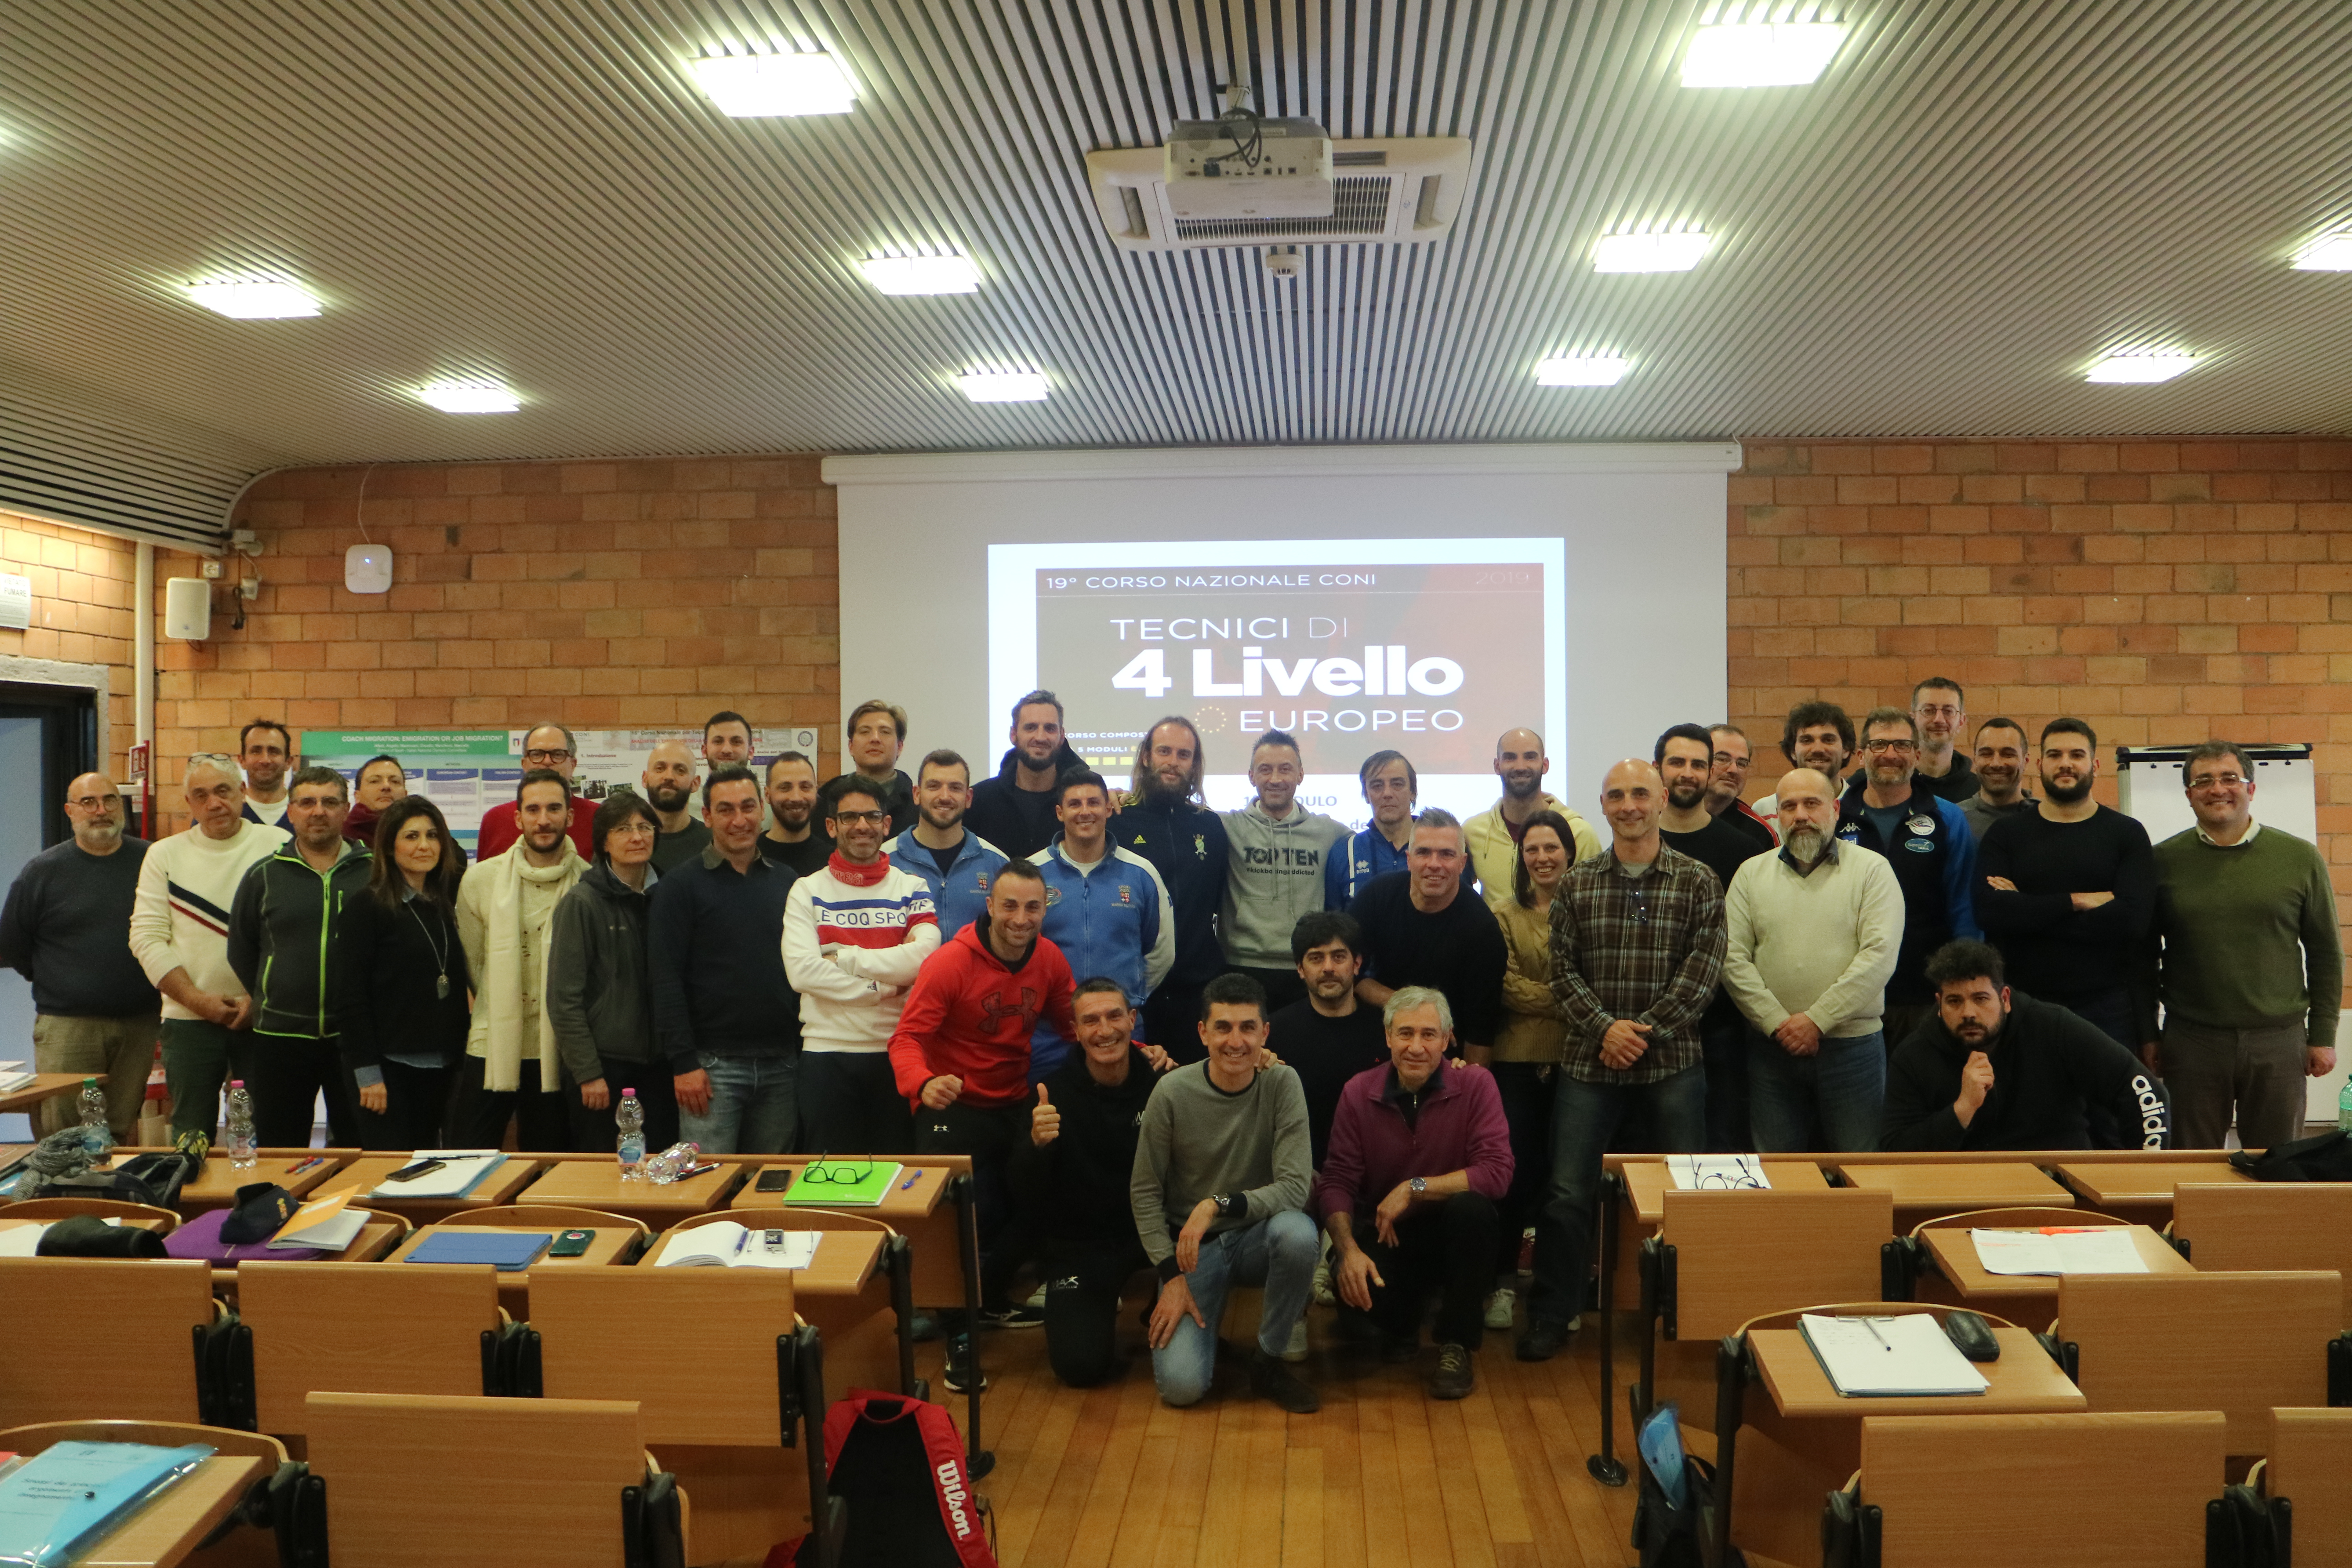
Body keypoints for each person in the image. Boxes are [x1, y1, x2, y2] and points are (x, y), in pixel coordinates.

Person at [1519, 761, 1725, 1362]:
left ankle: (1685, 1312)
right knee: (1565, 1193)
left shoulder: (1698, 881)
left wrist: (1645, 1032)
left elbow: (1703, 972)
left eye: (1641, 793)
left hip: (1675, 1061)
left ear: (1662, 799)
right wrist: (1607, 1029)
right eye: (1617, 796)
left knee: (1685, 1193)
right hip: (1589, 1062)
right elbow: (1563, 972)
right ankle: (1555, 1313)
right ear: (1603, 807)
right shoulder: (1579, 883)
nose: (1630, 805)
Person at [891, 861, 1078, 1379]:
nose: (1022, 918)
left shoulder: (1049, 959)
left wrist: (1136, 1052)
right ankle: (960, 1334)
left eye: (1033, 907)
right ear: (991, 906)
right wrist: (924, 1083)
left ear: (1046, 910)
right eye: (1011, 906)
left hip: (1011, 1101)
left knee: (1042, 1195)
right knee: (953, 1219)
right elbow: (907, 1039)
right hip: (953, 1106)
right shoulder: (951, 963)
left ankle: (990, 1296)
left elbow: (1074, 1027)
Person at [1131, 973, 1320, 1413]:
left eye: (1248, 1028)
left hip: (1259, 1236)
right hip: (1192, 1251)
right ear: (1202, 1032)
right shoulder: (1172, 1092)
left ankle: (1269, 1360)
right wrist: (1170, 1276)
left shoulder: (1283, 1083)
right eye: (1223, 1027)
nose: (1236, 1041)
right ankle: (1203, 1324)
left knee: (1298, 1232)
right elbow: (1144, 1192)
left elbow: (1295, 1187)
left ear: (1265, 1033)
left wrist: (1217, 1205)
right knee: (1181, 1389)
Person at [1316, 986, 1514, 1398]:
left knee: (1474, 1212)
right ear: (1388, 1037)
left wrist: (1415, 1188)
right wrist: (1348, 1249)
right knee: (1356, 1308)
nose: (1416, 1046)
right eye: (1405, 1034)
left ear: (1447, 1039)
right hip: (1389, 1234)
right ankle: (1403, 1323)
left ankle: (1456, 1344)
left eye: (1429, 1035)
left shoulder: (1477, 1084)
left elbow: (1497, 1173)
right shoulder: (1358, 1091)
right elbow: (1337, 1181)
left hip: (1453, 1233)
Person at [2149, 741, 2341, 1151]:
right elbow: (2141, 957)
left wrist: (2323, 1035)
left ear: (2250, 789)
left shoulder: (2300, 858)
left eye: (2229, 778)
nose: (2217, 789)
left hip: (2279, 1042)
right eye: (2203, 781)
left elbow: (2325, 952)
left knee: (2277, 1167)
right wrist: (2149, 1033)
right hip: (2192, 1042)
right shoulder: (2161, 862)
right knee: (2189, 1167)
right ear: (2189, 795)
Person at [1721, 769, 1904, 1154]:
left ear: (1835, 810)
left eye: (1812, 804)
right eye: (1789, 806)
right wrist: (1777, 1023)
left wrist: (1817, 1020)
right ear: (1778, 816)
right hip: (1772, 1050)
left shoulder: (1872, 871)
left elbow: (1879, 957)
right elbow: (1731, 959)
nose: (1801, 815)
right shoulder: (1751, 874)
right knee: (1779, 1175)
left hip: (1853, 1051)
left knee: (1861, 1171)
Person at [1010, 978, 1158, 1388]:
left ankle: (1164, 1296)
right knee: (1080, 1367)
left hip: (1155, 1235)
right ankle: (1095, 1302)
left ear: (1133, 1020)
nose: (1105, 1030)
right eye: (1090, 1020)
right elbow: (1022, 1191)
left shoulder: (1163, 1085)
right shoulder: (1050, 1095)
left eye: (1114, 1016)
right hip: (1081, 1248)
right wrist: (1037, 1145)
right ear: (1076, 1031)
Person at [1882, 940, 2168, 1151]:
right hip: (1964, 1193)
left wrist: (2143, 1176)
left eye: (1981, 999)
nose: (1969, 1012)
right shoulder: (1913, 1055)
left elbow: (2146, 1092)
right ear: (1940, 1005)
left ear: (2005, 999)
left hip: (2059, 1186)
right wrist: (1963, 1109)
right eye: (1955, 1001)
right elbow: (1895, 1150)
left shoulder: (2054, 1027)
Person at [131, 755, 286, 1140]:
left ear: (244, 793)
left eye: (223, 791)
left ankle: (262, 1202)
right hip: (189, 1023)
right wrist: (198, 1001)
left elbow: (293, 938)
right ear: (189, 803)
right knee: (191, 1135)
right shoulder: (163, 855)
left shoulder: (281, 845)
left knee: (264, 1133)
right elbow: (146, 938)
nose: (214, 803)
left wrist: (259, 999)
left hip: (264, 1019)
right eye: (201, 795)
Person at [782, 776, 940, 1154]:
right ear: (831, 826)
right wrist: (883, 988)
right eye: (850, 817)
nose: (862, 826)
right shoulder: (807, 890)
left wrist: (845, 957)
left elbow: (925, 958)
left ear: (887, 825)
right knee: (831, 1184)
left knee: (894, 1181)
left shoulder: (913, 887)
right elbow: (803, 972)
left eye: (872, 816)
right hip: (826, 1056)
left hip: (897, 1054)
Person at [650, 765, 802, 1155]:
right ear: (707, 817)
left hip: (783, 1066)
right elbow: (665, 979)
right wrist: (684, 1063)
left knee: (772, 1188)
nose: (740, 820)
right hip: (711, 1069)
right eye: (726, 810)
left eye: (749, 807)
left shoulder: (789, 883)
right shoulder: (679, 887)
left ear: (763, 809)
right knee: (707, 1188)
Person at [1975, 718, 2154, 1047]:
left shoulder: (2126, 834)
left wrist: (2027, 909)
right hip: (2025, 1004)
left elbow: (2133, 922)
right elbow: (1990, 912)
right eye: (2055, 755)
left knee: (2107, 1100)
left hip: (2108, 1009)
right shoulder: (2006, 835)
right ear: (2041, 764)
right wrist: (2075, 902)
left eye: (2077, 755)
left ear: (2095, 765)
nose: (2066, 764)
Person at [0, 772, 153, 1142]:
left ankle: (108, 1201)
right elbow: (11, 944)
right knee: (65, 1136)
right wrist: (61, 979)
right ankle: (63, 1202)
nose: (100, 811)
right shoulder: (43, 872)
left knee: (118, 1133)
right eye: (88, 803)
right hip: (68, 1028)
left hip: (140, 1025)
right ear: (70, 811)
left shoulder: (152, 861)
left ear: (121, 806)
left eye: (109, 800)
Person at [226, 766, 370, 1147]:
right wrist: (276, 989)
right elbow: (242, 948)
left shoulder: (374, 875)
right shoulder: (265, 876)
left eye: (329, 802)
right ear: (291, 812)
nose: (318, 811)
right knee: (279, 1149)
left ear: (346, 809)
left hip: (354, 1038)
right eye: (307, 802)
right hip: (279, 1038)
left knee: (357, 1148)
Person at [453, 768, 584, 1149]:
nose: (543, 819)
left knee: (548, 1166)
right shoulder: (480, 881)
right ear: (518, 817)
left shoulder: (588, 884)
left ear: (570, 816)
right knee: (467, 1155)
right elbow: (474, 963)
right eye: (533, 809)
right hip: (491, 1040)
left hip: (556, 1048)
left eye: (554, 808)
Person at [1835, 706, 1980, 1047]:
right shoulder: (1833, 817)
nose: (1890, 755)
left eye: (1901, 745)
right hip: (1848, 997)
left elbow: (1964, 909)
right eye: (1879, 745)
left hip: (1926, 995)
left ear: (1917, 754)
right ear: (1860, 755)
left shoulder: (1949, 819)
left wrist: (1963, 986)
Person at [1657, 724, 1771, 1151]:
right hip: (1648, 1029)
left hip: (1723, 1026)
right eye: (1677, 763)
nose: (1688, 773)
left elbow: (1753, 939)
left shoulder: (1745, 852)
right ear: (1658, 770)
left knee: (1724, 1144)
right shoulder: (1637, 841)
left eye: (1698, 765)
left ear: (1708, 773)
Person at [335, 795, 468, 1149]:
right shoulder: (367, 906)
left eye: (432, 836)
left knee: (430, 1176)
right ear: (390, 847)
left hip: (441, 1067)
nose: (424, 845)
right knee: (392, 1175)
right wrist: (368, 1074)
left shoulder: (442, 907)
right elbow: (350, 997)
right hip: (387, 1072)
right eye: (411, 837)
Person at [546, 793, 674, 1154]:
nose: (637, 837)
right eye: (623, 829)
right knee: (604, 1176)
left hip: (660, 1069)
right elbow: (563, 1000)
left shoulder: (668, 896)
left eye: (644, 827)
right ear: (604, 841)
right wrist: (588, 1073)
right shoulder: (582, 903)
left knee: (661, 1172)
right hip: (604, 1071)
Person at [1487, 810, 1574, 1330]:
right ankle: (1500, 1283)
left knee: (1564, 1180)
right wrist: (1570, 998)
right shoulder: (1502, 913)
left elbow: (1596, 980)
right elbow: (1505, 984)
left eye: (1552, 848)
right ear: (1522, 858)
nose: (1542, 858)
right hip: (1515, 1061)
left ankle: (1556, 1289)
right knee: (1513, 1177)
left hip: (1576, 1063)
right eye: (1533, 850)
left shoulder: (1587, 908)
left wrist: (1568, 997)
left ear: (1569, 853)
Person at [1030, 768, 1172, 1074]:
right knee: (1050, 1116)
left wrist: (1130, 995)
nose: (1085, 812)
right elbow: (1016, 949)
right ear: (1060, 812)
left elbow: (1162, 950)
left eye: (1094, 803)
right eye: (1075, 804)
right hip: (1049, 1032)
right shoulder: (1032, 873)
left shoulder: (1141, 873)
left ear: (1108, 809)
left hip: (1120, 1030)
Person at [1111, 716, 1230, 1061]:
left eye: (1183, 755)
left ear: (1194, 765)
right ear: (1146, 757)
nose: (1173, 762)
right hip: (1139, 991)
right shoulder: (1116, 818)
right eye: (1164, 751)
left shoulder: (1210, 825)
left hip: (1199, 990)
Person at [1345, 809, 1507, 1058]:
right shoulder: (1377, 896)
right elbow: (1349, 975)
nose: (1434, 864)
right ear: (1409, 859)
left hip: (1448, 1055)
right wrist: (1407, 1004)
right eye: (1424, 853)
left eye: (1446, 854)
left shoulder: (1482, 929)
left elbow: (1481, 1031)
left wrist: (1472, 1090)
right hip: (1377, 1042)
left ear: (1463, 863)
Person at [1219, 730, 1347, 1014]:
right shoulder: (1226, 827)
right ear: (1251, 776)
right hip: (1241, 965)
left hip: (1305, 967)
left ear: (1301, 774)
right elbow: (1178, 813)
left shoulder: (1330, 833)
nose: (1275, 779)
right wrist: (1122, 797)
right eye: (1265, 770)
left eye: (1285, 769)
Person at [1266, 911, 1390, 1165]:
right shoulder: (1273, 1032)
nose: (1328, 968)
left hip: (1376, 1169)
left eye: (1339, 957)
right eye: (1316, 958)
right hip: (1299, 1173)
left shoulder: (1387, 1031)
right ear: (1300, 969)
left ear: (1357, 964)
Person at [884, 749, 1008, 942]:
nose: (944, 796)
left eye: (955, 788)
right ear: (917, 795)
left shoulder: (997, 864)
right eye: (934, 786)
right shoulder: (885, 860)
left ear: (968, 798)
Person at [1465, 728, 1599, 906]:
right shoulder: (1472, 831)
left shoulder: (1579, 833)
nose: (1520, 767)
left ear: (1545, 765)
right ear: (1497, 766)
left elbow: (1593, 902)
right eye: (1510, 758)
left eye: (1530, 757)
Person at [967, 689, 1083, 860]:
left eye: (1050, 729)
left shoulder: (1081, 804)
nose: (1040, 737)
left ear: (1062, 736)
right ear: (1013, 735)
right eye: (1031, 728)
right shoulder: (980, 801)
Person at [476, 723, 597, 860]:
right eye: (537, 754)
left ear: (573, 765)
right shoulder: (495, 819)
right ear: (524, 764)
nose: (546, 761)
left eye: (558, 754)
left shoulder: (599, 817)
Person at [1326, 750, 1417, 909]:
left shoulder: (1439, 850)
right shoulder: (1345, 852)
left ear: (1413, 792)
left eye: (1397, 784)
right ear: (1366, 795)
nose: (1387, 793)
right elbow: (1333, 925)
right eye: (1377, 786)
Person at [828, 699, 916, 837]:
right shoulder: (826, 801)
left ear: (900, 747)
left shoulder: (918, 806)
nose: (875, 739)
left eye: (885, 732)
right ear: (851, 746)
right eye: (865, 732)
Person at [1753, 701, 1855, 818]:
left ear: (1846, 749)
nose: (1818, 749)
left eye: (1828, 740)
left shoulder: (1864, 807)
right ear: (1793, 751)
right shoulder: (1764, 812)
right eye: (1807, 741)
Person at [1959, 717, 2037, 842]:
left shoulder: (2045, 817)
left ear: (2026, 761)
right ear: (1975, 760)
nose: (1996, 764)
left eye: (2008, 754)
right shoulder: (1954, 821)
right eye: (1986, 754)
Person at [640, 740, 712, 874]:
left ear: (695, 783)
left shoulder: (714, 844)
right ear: (645, 779)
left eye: (680, 770)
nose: (669, 777)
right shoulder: (626, 842)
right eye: (660, 768)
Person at [759, 751, 833, 876]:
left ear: (816, 791)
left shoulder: (833, 861)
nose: (796, 798)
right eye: (785, 788)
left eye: (805, 787)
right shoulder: (749, 856)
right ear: (767, 794)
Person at [1705, 724, 1778, 850]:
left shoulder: (1759, 833)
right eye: (1722, 759)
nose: (1734, 770)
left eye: (1742, 764)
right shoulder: (1664, 815)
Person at [1908, 677, 1979, 802]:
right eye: (1929, 711)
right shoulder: (1895, 784)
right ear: (1913, 721)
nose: (1939, 720)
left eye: (1948, 711)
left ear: (1961, 722)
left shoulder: (1978, 792)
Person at [343, 754, 407, 849]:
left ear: (406, 795)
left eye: (395, 782)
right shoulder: (341, 836)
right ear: (357, 796)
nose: (386, 786)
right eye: (375, 781)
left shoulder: (421, 833)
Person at [238, 719, 293, 828]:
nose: (265, 760)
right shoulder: (223, 813)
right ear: (242, 761)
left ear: (288, 762)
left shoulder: (307, 813)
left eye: (274, 751)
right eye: (256, 751)